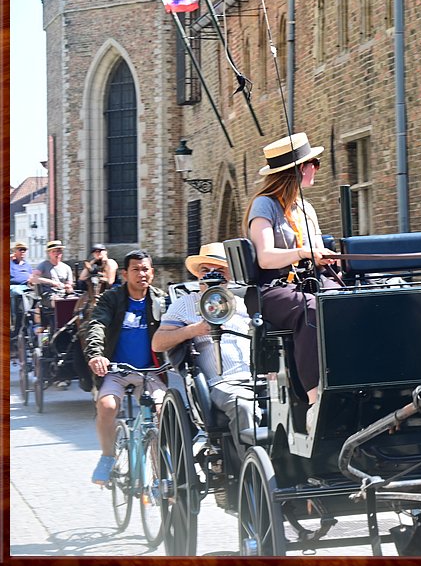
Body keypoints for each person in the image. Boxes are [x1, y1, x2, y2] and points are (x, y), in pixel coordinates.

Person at [242, 132, 339, 433]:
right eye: (314, 163)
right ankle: (314, 399)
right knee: (312, 309)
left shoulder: (305, 208)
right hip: (273, 289)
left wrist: (325, 257)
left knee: (345, 303)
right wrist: (302, 252)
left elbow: (313, 251)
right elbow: (265, 257)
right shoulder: (264, 205)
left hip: (309, 281)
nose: (316, 169)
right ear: (299, 169)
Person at [151, 242, 258, 456]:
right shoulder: (185, 304)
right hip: (221, 383)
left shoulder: (243, 303)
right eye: (205, 271)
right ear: (198, 276)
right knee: (245, 406)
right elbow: (158, 342)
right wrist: (194, 330)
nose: (211, 276)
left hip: (257, 377)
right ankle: (250, 468)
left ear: (228, 276)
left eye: (219, 271)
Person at [83, 249, 168, 486]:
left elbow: (175, 326)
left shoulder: (160, 299)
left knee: (162, 413)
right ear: (124, 273)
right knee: (107, 406)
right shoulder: (112, 299)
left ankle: (160, 470)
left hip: (150, 371)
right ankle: (107, 457)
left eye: (145, 269)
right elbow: (97, 324)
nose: (141, 274)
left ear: (152, 272)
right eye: (136, 269)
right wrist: (96, 355)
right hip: (117, 369)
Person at [30, 240, 74, 304]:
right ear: (49, 253)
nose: (56, 253)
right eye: (54, 251)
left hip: (63, 294)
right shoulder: (43, 265)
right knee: (58, 302)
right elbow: (33, 278)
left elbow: (69, 284)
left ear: (61, 253)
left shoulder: (67, 267)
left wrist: (68, 288)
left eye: (58, 251)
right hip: (48, 295)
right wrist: (51, 282)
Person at [10, 242, 32, 338]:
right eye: (20, 249)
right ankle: (15, 323)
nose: (22, 252)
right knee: (17, 292)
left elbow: (31, 277)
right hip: (13, 286)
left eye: (24, 250)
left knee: (35, 295)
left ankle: (29, 320)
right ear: (15, 251)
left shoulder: (27, 265)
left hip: (26, 287)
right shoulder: (10, 263)